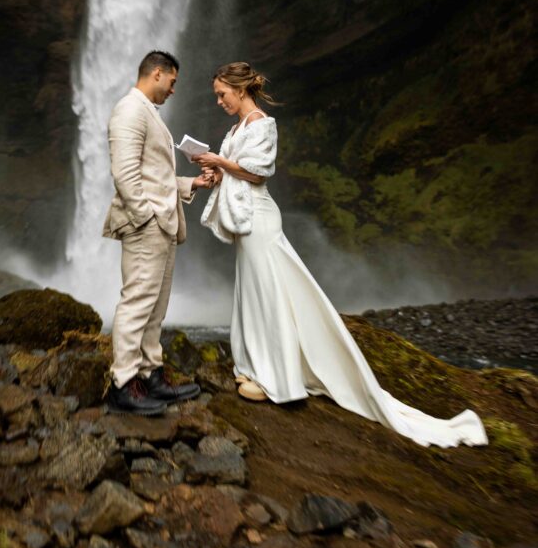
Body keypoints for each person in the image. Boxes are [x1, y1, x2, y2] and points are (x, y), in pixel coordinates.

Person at [195, 61, 488, 448]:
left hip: (260, 219)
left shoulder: (263, 124)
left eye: (222, 94)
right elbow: (235, 171)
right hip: (245, 220)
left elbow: (258, 172)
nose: (219, 101)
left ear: (240, 89)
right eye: (216, 95)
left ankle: (277, 378)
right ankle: (253, 365)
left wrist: (221, 162)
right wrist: (214, 171)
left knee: (269, 292)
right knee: (253, 291)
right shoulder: (236, 130)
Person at [104, 50, 213, 416]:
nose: (173, 89)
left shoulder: (147, 112)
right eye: (172, 81)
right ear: (156, 73)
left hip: (163, 224)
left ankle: (150, 375)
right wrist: (145, 216)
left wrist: (191, 182)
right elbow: (124, 173)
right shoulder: (130, 110)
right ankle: (122, 384)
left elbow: (155, 177)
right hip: (148, 225)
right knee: (137, 302)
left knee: (155, 307)